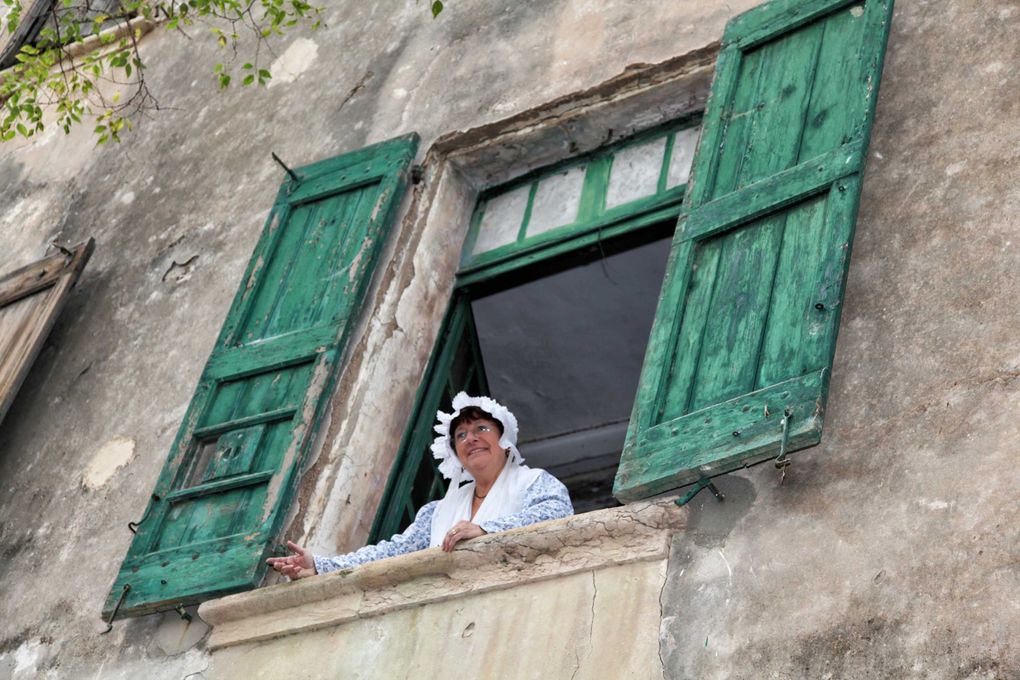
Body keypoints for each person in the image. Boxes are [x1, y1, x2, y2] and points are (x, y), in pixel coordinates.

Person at [267, 392, 574, 579]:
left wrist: (485, 530)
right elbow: (394, 552)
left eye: (482, 428)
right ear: (454, 453)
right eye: (461, 435)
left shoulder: (533, 482)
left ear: (504, 441)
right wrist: (321, 565)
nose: (472, 439)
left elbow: (558, 512)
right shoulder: (438, 511)